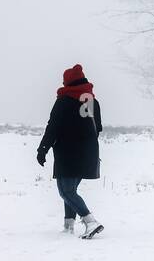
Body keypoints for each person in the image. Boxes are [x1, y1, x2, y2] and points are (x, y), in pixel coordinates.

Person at [37, 64, 105, 238]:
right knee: (70, 190)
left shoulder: (64, 100)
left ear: (69, 82)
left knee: (66, 191)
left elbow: (53, 127)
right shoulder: (92, 101)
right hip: (88, 152)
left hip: (68, 152)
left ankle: (90, 222)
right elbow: (98, 128)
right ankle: (68, 227)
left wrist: (43, 148)